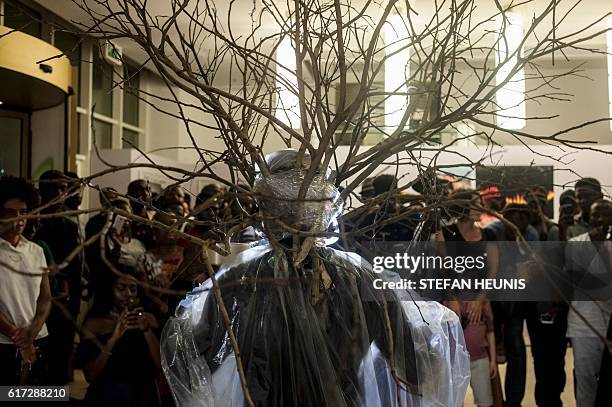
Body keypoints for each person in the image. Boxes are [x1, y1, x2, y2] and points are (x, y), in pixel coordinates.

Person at [161, 150, 470, 406]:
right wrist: (440, 332)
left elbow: (192, 362)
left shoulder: (239, 280)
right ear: (323, 204)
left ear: (265, 209)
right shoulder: (356, 276)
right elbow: (414, 366)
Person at [76, 269, 161, 406]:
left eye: (133, 289)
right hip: (110, 394)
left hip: (144, 393)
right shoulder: (95, 324)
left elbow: (161, 365)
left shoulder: (149, 319)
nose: (128, 294)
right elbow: (90, 375)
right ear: (108, 290)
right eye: (121, 288)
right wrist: (113, 338)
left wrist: (146, 331)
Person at [485, 204, 538, 407]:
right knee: (488, 351)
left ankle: (513, 400)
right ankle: (494, 399)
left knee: (516, 348)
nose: (518, 225)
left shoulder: (530, 233)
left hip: (515, 300)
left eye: (523, 220)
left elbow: (528, 269)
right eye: (513, 220)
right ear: (504, 217)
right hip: (492, 297)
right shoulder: (492, 231)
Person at [0, 176, 52, 385]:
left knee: (40, 396)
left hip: (38, 338)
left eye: (23, 212)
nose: (19, 219)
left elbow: (46, 296)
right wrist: (19, 337)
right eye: (11, 213)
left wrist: (33, 331)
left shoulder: (36, 250)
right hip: (4, 343)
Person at [36, 169, 84, 386]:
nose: (59, 193)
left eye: (63, 188)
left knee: (61, 352)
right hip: (37, 297)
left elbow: (75, 263)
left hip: (68, 299)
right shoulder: (32, 221)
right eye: (53, 188)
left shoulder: (70, 222)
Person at [565, 199, 612, 407]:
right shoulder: (576, 244)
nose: (599, 219)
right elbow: (579, 281)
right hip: (583, 325)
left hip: (610, 324)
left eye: (605, 214)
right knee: (585, 379)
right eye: (595, 215)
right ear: (588, 216)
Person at [448, 300, 497, 407]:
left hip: (480, 359)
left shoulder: (483, 301)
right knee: (454, 402)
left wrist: (493, 360)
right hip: (455, 361)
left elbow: (490, 330)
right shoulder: (448, 299)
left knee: (485, 401)